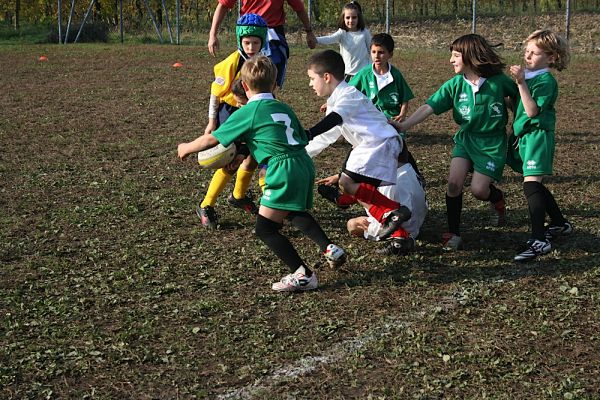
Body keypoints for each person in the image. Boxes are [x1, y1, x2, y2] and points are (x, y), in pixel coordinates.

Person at [178, 55, 346, 292]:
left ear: (245, 87)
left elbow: (211, 138)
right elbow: (303, 136)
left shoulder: (250, 111)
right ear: (275, 85)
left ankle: (303, 274)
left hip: (281, 167)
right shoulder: (282, 107)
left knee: (264, 229)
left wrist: (185, 147)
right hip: (302, 162)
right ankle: (329, 248)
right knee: (291, 211)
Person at [391, 34, 519, 250]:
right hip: (466, 140)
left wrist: (518, 122)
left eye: (456, 55)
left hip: (491, 144)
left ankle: (496, 198)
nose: (451, 60)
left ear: (470, 56)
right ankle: (454, 233)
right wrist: (405, 125)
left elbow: (519, 98)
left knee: (479, 190)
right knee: (453, 184)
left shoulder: (499, 82)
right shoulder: (455, 84)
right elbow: (429, 106)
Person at [306, 49, 412, 242]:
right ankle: (397, 230)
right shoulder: (335, 102)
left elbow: (334, 120)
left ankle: (393, 210)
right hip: (375, 145)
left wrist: (309, 132)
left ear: (327, 77)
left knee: (347, 183)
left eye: (312, 78)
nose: (310, 84)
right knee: (351, 186)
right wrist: (301, 152)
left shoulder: (348, 95)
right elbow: (326, 137)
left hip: (380, 144)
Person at [196, 14, 270, 229]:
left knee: (254, 156)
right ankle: (206, 204)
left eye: (255, 42)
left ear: (262, 41)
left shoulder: (264, 62)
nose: (251, 46)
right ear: (239, 40)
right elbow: (215, 93)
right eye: (246, 42)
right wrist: (212, 122)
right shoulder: (231, 63)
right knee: (232, 161)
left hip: (255, 113)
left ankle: (238, 196)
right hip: (232, 114)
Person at [507, 30, 572, 262]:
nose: (528, 56)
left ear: (551, 58)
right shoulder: (531, 77)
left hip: (538, 136)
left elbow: (533, 111)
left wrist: (521, 83)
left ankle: (539, 240)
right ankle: (559, 223)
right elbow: (520, 105)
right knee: (534, 185)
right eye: (526, 51)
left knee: (531, 186)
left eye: (534, 53)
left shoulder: (546, 81)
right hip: (525, 136)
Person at [321, 161, 427, 255]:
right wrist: (341, 176)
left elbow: (359, 180)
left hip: (404, 224)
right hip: (418, 215)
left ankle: (400, 236)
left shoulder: (383, 182)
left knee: (352, 225)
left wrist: (344, 180)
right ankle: (344, 199)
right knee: (357, 187)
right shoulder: (403, 160)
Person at [207, 0, 317, 87]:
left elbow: (299, 7)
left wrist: (309, 31)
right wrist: (212, 34)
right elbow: (223, 5)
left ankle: (267, 102)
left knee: (269, 77)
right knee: (246, 76)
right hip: (249, 31)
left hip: (273, 35)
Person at [349, 33, 414, 122]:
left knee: (392, 135)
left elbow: (405, 98)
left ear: (390, 54)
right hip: (370, 115)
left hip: (391, 117)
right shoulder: (364, 73)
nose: (376, 56)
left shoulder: (395, 75)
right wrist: (331, 102)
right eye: (373, 52)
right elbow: (347, 90)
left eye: (381, 52)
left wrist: (402, 114)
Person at [314, 1, 371, 82]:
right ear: (343, 18)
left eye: (354, 17)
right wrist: (316, 40)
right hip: (347, 73)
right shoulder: (342, 33)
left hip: (363, 73)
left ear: (359, 18)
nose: (351, 20)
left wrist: (371, 69)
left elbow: (371, 50)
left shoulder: (364, 32)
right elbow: (330, 38)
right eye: (348, 17)